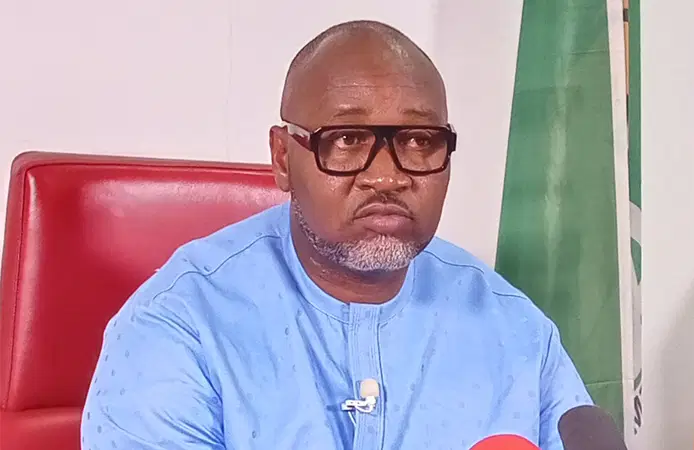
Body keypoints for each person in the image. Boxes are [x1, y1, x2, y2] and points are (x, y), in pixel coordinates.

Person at [81, 20, 592, 450]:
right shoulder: (180, 325)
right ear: (283, 158)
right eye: (347, 140)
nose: (387, 177)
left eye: (419, 140)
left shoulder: (516, 330)